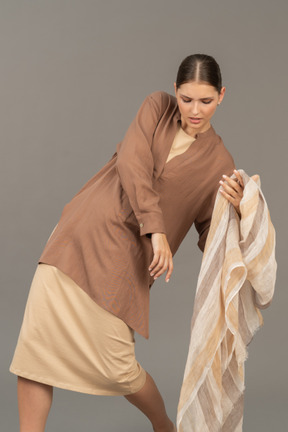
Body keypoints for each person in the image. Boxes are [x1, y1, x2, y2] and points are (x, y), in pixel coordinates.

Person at [10, 54, 246, 432]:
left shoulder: (220, 162)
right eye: (186, 99)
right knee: (37, 351)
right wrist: (157, 232)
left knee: (121, 368)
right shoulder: (156, 106)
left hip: (125, 264)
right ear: (175, 92)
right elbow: (132, 163)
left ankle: (162, 425)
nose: (195, 110)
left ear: (221, 96)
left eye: (206, 100)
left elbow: (212, 238)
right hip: (81, 232)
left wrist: (239, 211)